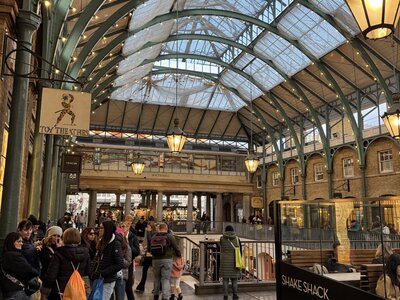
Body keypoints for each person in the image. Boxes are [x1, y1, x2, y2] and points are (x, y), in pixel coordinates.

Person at [40, 228, 90, 300]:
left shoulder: (59, 253)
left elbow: (51, 276)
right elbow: (86, 273)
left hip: (60, 293)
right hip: (78, 293)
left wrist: (44, 293)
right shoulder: (85, 254)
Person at [0, 232, 40, 300]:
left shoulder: (6, 255)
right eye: (19, 241)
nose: (21, 243)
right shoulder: (13, 255)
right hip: (17, 292)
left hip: (10, 291)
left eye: (22, 241)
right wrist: (36, 272)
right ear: (11, 242)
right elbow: (28, 270)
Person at [91, 220, 124, 300]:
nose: (99, 230)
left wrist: (102, 273)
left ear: (107, 229)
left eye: (102, 228)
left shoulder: (115, 243)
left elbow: (119, 264)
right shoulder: (102, 242)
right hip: (98, 278)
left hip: (107, 280)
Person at [152, 222, 181, 300]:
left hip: (155, 259)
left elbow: (149, 248)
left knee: (156, 278)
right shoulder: (169, 236)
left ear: (159, 228)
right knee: (165, 279)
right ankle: (165, 297)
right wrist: (179, 255)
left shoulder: (154, 236)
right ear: (166, 228)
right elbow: (176, 247)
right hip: (166, 259)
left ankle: (156, 296)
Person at [219, 225, 241, 300]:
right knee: (234, 279)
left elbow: (221, 247)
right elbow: (239, 250)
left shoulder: (222, 238)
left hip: (225, 261)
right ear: (233, 230)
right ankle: (235, 295)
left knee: (225, 280)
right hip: (234, 261)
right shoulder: (237, 238)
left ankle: (225, 296)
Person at [135, 222, 156, 293]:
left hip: (152, 255)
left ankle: (156, 288)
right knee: (145, 270)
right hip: (149, 255)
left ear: (151, 227)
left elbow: (150, 240)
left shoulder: (152, 233)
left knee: (153, 272)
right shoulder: (150, 233)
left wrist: (147, 232)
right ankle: (141, 286)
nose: (146, 228)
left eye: (148, 226)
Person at [113, 223, 132, 300]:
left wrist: (119, 258)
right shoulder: (111, 246)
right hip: (110, 275)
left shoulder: (127, 247)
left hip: (121, 276)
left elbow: (128, 263)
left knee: (120, 297)